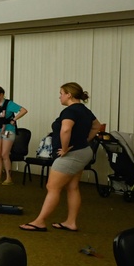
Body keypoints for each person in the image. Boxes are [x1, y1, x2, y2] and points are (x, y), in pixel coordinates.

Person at [20, 82, 101, 233]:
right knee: (72, 187)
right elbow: (97, 126)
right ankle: (71, 222)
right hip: (83, 151)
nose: (60, 96)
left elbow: (66, 130)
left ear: (69, 95)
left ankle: (39, 221)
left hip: (72, 154)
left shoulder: (70, 111)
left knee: (52, 187)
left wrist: (64, 148)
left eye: (61, 93)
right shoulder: (85, 110)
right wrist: (85, 140)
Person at [0, 83, 28, 185]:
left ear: (2, 94)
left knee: (5, 154)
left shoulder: (9, 104)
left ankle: (8, 177)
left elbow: (23, 110)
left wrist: (14, 119)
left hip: (8, 130)